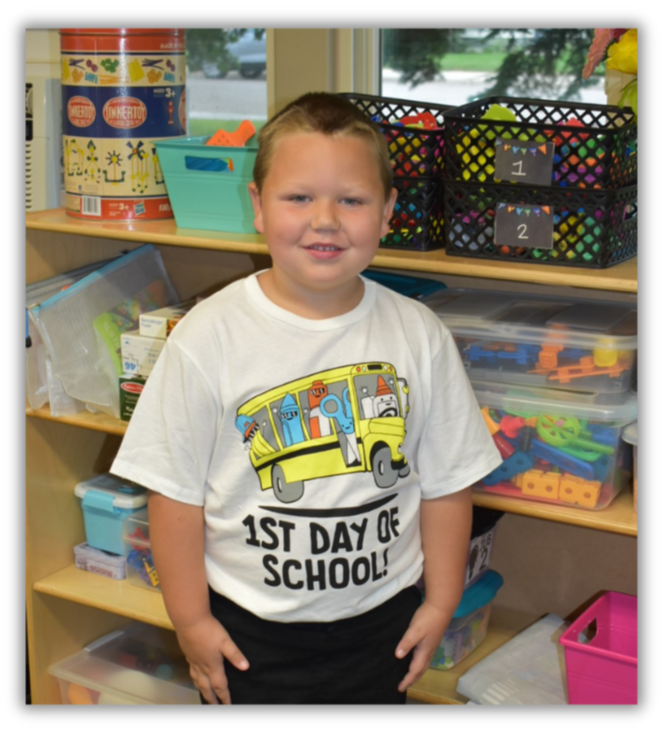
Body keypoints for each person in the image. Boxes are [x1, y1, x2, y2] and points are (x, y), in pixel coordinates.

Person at [111, 92, 502, 705]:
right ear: (259, 206)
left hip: (384, 621)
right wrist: (191, 621)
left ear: (388, 211)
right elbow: (174, 494)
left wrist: (442, 599)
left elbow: (448, 482)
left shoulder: (418, 334)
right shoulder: (207, 336)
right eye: (299, 197)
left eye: (352, 199)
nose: (326, 219)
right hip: (246, 626)